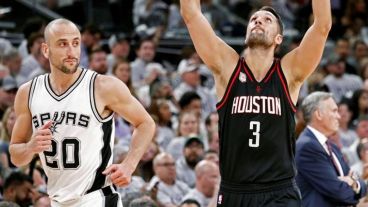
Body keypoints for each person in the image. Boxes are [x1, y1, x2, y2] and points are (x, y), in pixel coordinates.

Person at [180, 0, 331, 206]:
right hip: (235, 189)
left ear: (279, 38)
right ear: (245, 35)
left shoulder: (288, 72)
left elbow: (322, 26)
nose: (258, 21)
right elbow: (191, 15)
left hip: (279, 190)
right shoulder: (227, 67)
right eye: (253, 20)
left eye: (267, 20)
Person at [9, 18, 155, 207]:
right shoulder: (28, 92)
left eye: (75, 43)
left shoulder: (102, 86)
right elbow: (15, 155)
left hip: (96, 198)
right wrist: (30, 147)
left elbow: (146, 123)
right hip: (57, 200)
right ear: (46, 50)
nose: (71, 51)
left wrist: (129, 164)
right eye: (62, 44)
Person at [296, 92, 367, 206]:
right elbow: (338, 192)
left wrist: (354, 183)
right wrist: (353, 187)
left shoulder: (331, 146)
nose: (338, 116)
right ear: (319, 114)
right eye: (334, 111)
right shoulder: (307, 147)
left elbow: (360, 183)